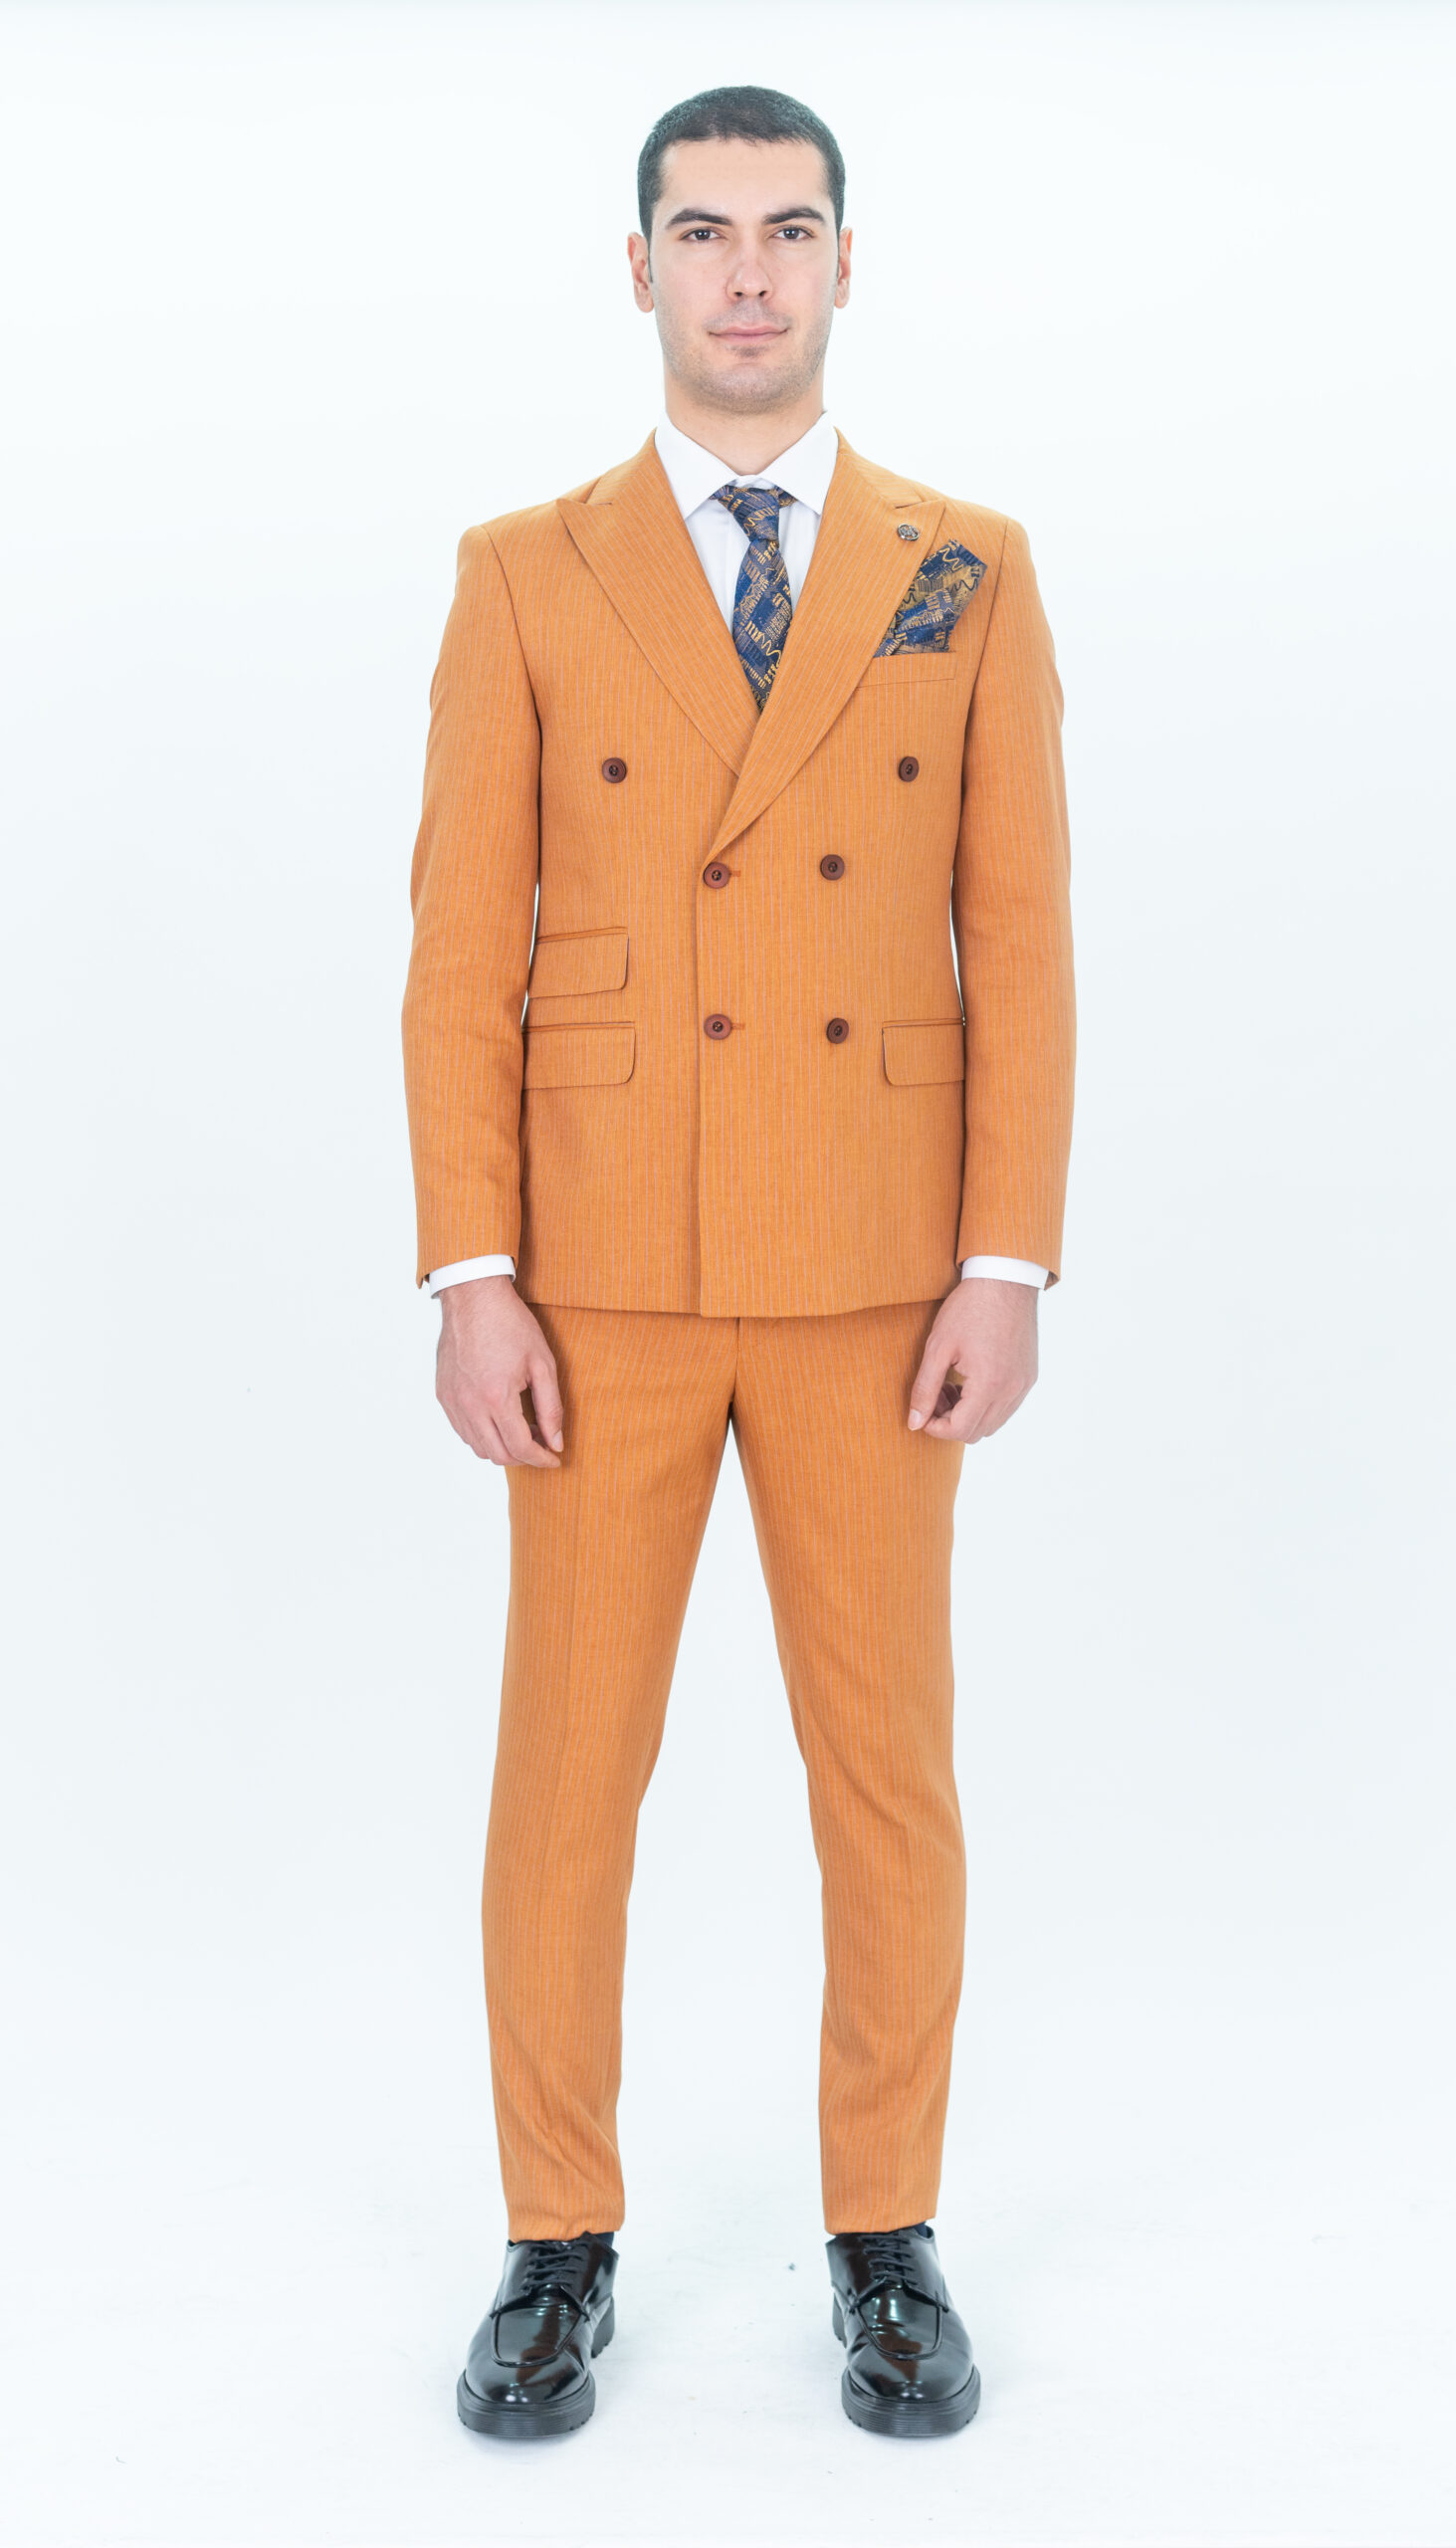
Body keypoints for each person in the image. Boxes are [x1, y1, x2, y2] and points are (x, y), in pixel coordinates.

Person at [401, 83, 1074, 2442]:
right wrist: (471, 1264)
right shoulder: (526, 566)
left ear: (848, 262)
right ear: (642, 268)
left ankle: (886, 2230)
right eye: (705, 231)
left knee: (888, 1773)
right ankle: (553, 2235)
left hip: (883, 1274)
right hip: (599, 1272)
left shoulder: (966, 561)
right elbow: (459, 948)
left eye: (790, 229)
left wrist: (1007, 1252)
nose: (750, 273)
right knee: (567, 1771)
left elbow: (1024, 937)